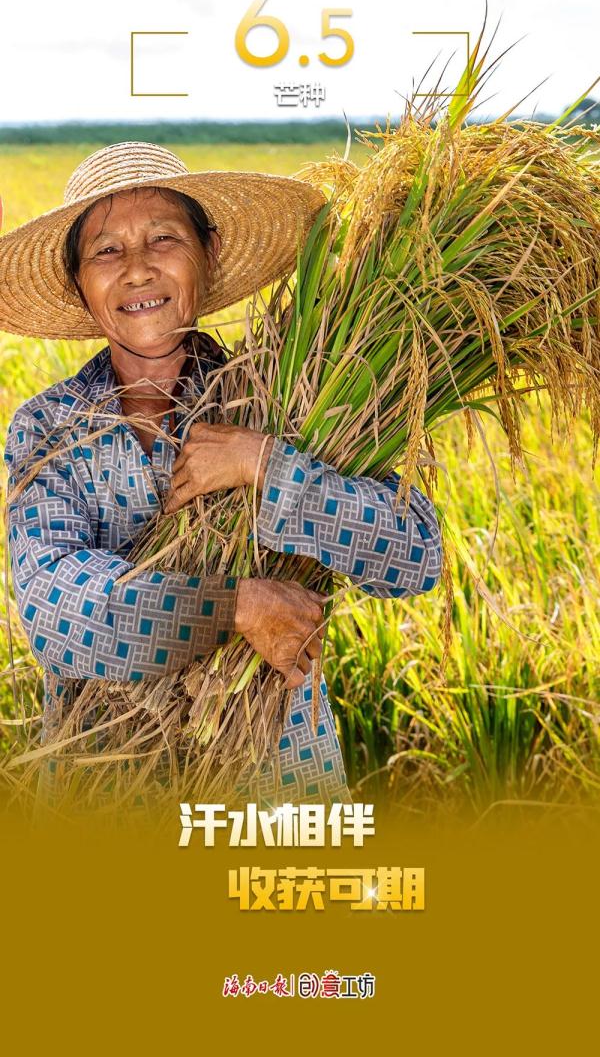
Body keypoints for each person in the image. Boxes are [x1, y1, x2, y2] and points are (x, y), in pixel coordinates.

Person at [1, 141, 443, 810]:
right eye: (107, 251)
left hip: (274, 784)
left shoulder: (288, 402)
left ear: (208, 255)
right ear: (79, 284)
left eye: (164, 239)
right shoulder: (49, 427)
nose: (138, 269)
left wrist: (266, 464)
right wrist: (233, 607)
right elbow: (55, 607)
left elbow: (416, 557)